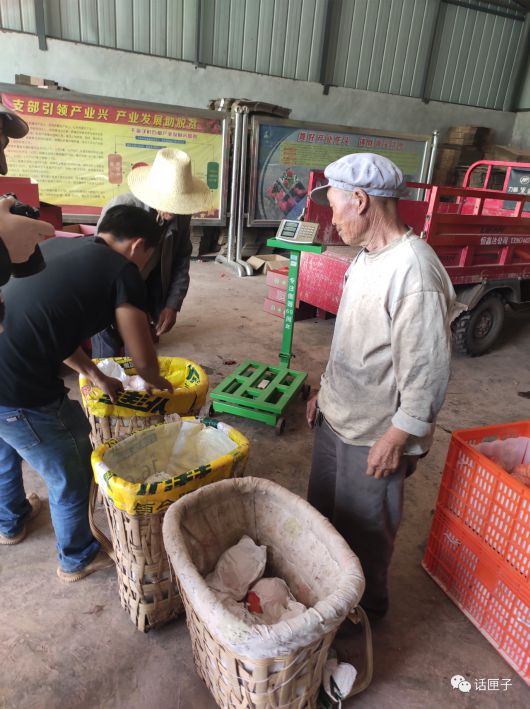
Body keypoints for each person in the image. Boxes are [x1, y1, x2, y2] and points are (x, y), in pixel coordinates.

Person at [306, 153, 460, 621]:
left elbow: (427, 369)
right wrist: (325, 392)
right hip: (339, 416)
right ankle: (328, 603)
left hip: (375, 434)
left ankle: (364, 617)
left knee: (366, 533)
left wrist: (398, 436)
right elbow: (354, 341)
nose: (331, 218)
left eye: (334, 206)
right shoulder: (368, 256)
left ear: (360, 199)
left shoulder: (414, 271)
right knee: (325, 521)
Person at [0, 205, 172, 582]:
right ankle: (77, 557)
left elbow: (48, 326)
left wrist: (93, 372)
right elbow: (142, 360)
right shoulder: (122, 271)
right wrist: (160, 384)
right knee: (74, 463)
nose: (146, 265)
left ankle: (11, 522)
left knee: (6, 445)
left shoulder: (65, 248)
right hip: (17, 388)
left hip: (4, 372)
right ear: (138, 246)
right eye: (149, 257)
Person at [92, 148, 211, 356]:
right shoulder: (121, 208)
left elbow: (182, 259)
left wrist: (173, 304)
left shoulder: (180, 216)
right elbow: (101, 265)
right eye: (169, 202)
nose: (173, 212)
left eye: (179, 204)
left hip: (147, 288)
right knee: (107, 356)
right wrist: (122, 306)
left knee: (139, 351)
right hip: (110, 290)